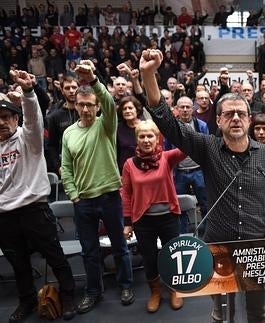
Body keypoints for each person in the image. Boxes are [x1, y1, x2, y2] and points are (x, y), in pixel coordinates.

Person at [140, 48, 265, 323]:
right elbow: (166, 122)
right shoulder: (207, 148)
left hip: (257, 246)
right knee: (220, 315)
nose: (235, 119)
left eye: (241, 114)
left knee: (258, 313)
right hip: (217, 246)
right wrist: (148, 74)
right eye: (228, 114)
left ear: (250, 119)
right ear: (217, 120)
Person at [0, 70, 76, 322]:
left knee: (55, 257)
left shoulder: (28, 138)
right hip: (5, 216)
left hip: (34, 209)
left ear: (15, 118)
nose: (2, 122)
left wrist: (29, 92)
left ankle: (68, 297)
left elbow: (33, 119)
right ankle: (27, 301)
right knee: (19, 264)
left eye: (7, 117)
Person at [60, 60, 134, 314]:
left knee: (119, 246)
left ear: (97, 105)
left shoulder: (106, 124)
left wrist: (93, 80)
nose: (85, 109)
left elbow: (110, 102)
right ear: (75, 105)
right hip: (83, 201)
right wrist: (73, 195)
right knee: (89, 251)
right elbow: (65, 168)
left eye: (90, 104)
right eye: (81, 104)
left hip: (110, 196)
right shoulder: (68, 133)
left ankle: (126, 284)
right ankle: (94, 291)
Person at [121, 120, 187, 313]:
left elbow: (187, 147)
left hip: (168, 218)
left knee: (173, 256)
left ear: (158, 138)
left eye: (150, 135)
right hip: (143, 221)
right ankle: (155, 292)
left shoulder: (167, 158)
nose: (146, 140)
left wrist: (170, 127)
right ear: (137, 140)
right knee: (149, 259)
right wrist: (127, 223)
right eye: (142, 136)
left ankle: (174, 290)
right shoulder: (129, 165)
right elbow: (126, 193)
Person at [169, 96, 209, 233]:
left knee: (205, 203)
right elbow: (166, 150)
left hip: (198, 170)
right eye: (182, 107)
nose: (185, 110)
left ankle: (207, 234)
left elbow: (207, 147)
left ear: (193, 109)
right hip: (179, 172)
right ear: (176, 109)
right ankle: (182, 235)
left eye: (188, 107)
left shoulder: (202, 126)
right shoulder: (171, 127)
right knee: (180, 206)